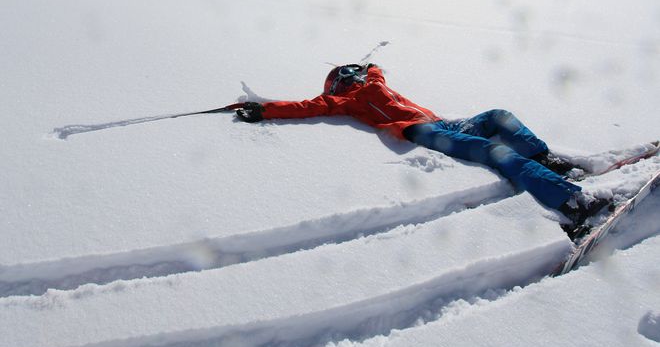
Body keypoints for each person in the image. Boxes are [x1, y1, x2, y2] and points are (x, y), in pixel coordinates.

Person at [233, 64, 610, 231]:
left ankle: (547, 161)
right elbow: (306, 107)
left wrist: (369, 65)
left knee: (497, 115)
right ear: (340, 84)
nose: (357, 75)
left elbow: (377, 69)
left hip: (442, 123)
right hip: (421, 132)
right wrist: (262, 110)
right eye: (349, 75)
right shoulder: (346, 100)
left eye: (355, 72)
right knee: (497, 153)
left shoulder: (373, 81)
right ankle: (572, 202)